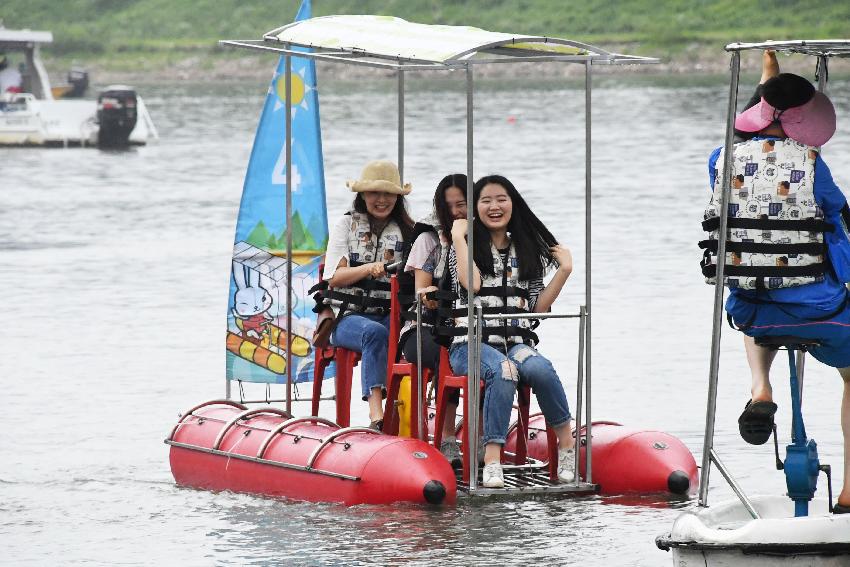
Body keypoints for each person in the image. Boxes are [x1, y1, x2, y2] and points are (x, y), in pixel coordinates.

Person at [701, 58, 850, 513]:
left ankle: (760, 386)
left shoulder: (721, 159)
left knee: (753, 295)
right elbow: (837, 212)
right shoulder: (811, 163)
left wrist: (767, 76)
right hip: (820, 311)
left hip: (752, 311)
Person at [444, 174, 577, 488]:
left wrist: (566, 270)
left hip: (515, 342)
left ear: (513, 204)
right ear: (475, 208)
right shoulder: (462, 247)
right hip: (469, 345)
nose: (494, 206)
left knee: (541, 369)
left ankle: (568, 447)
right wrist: (460, 238)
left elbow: (538, 309)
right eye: (485, 200)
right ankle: (492, 460)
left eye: (501, 199)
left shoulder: (526, 249)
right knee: (504, 371)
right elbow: (472, 285)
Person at [319, 160, 415, 430]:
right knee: (374, 333)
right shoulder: (346, 225)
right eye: (374, 193)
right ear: (362, 195)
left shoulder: (410, 231)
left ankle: (421, 417)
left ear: (398, 197)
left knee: (418, 336)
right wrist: (367, 269)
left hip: (391, 316)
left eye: (388, 194)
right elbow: (333, 277)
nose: (381, 200)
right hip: (347, 318)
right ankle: (377, 416)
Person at [399, 173, 468, 467]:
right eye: (448, 206)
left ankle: (485, 437)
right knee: (449, 359)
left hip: (466, 328)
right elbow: (421, 295)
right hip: (423, 328)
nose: (455, 212)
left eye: (462, 205)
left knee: (487, 356)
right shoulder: (428, 240)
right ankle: (448, 437)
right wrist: (429, 294)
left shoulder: (486, 240)